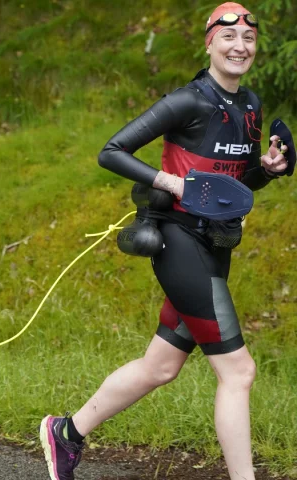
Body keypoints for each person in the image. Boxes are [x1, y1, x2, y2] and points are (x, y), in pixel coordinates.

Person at [39, 3, 290, 480]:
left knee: (161, 367)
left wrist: (268, 170)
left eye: (249, 40)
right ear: (209, 43)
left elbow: (233, 186)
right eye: (229, 38)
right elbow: (111, 151)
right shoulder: (188, 100)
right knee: (238, 372)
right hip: (177, 242)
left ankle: (65, 433)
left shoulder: (250, 106)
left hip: (216, 246)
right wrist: (171, 183)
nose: (240, 48)